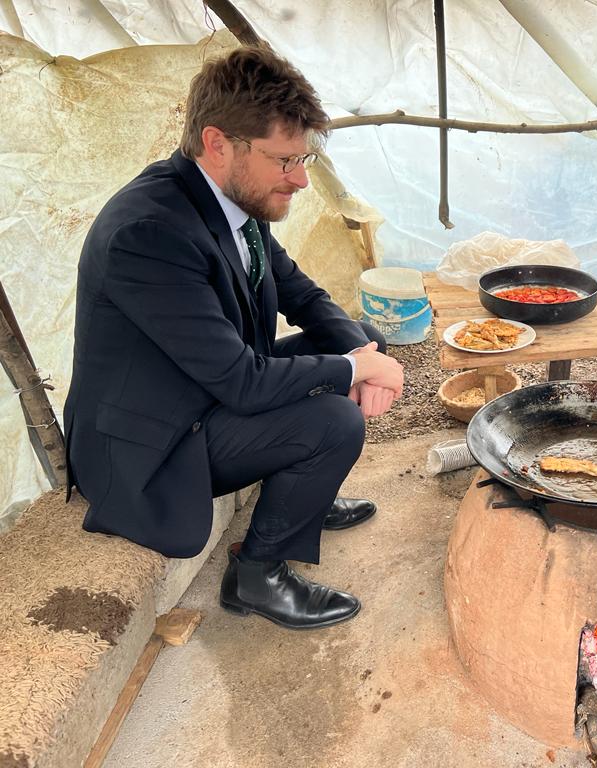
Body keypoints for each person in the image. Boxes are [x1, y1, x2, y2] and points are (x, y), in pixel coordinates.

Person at [64, 46, 404, 630]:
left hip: (203, 391)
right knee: (333, 422)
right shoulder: (149, 232)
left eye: (304, 159)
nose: (299, 180)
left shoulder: (227, 202)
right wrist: (355, 373)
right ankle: (257, 577)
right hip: (155, 441)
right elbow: (243, 382)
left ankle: (305, 500)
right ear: (218, 143)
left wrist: (362, 353)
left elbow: (304, 296)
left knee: (358, 337)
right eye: (284, 161)